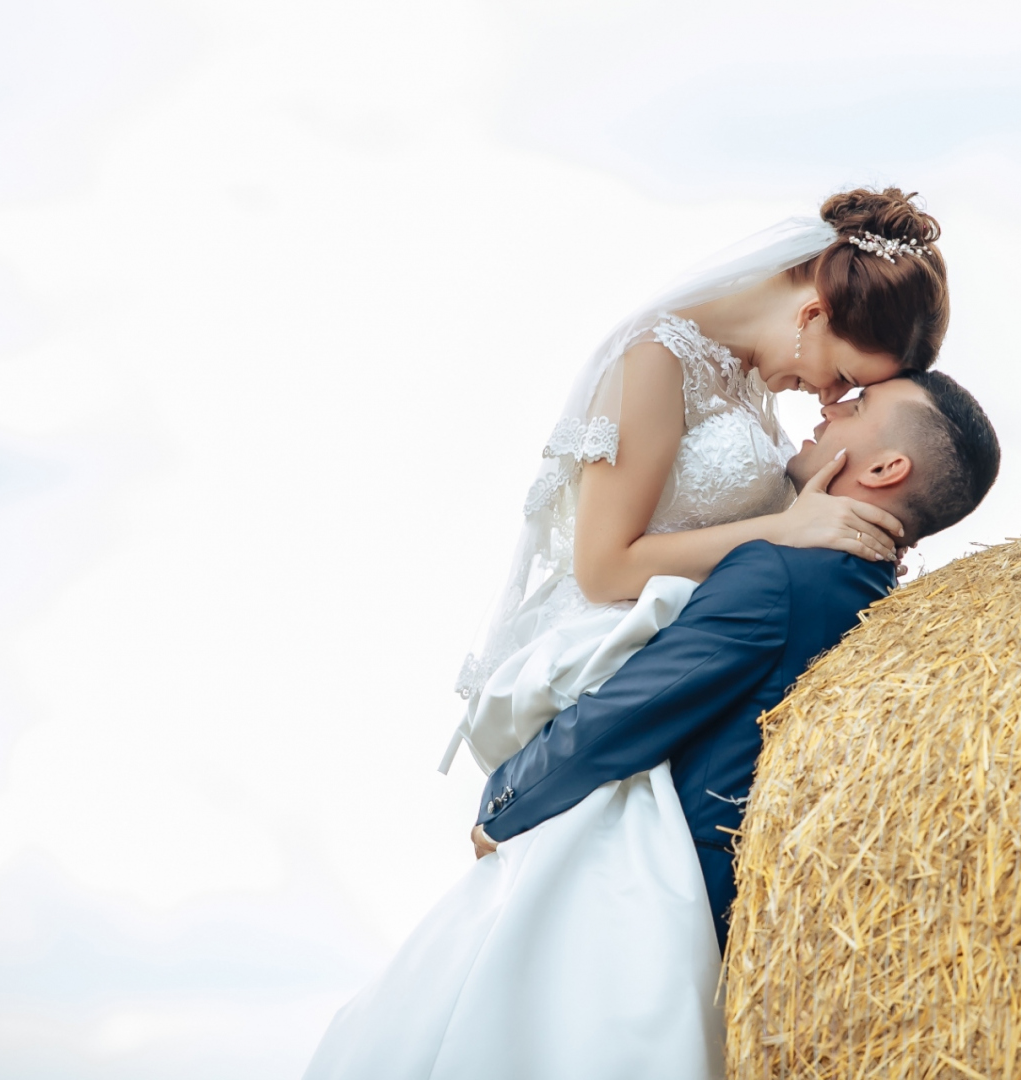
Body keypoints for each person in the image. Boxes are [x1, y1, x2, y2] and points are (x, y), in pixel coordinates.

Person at [304, 190, 954, 1080]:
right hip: (619, 645)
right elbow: (605, 568)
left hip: (684, 661)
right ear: (812, 312)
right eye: (841, 375)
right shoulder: (655, 358)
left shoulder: (741, 376)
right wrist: (786, 529)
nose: (829, 401)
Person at [471, 371, 1000, 952]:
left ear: (884, 469)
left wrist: (506, 803)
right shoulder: (870, 594)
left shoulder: (783, 575)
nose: (831, 409)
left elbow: (631, 711)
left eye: (860, 404)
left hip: (656, 902)